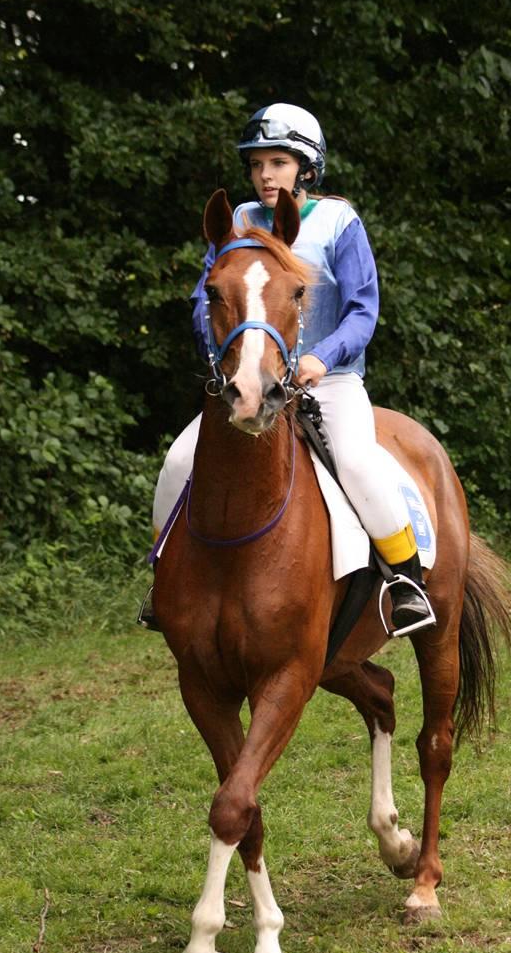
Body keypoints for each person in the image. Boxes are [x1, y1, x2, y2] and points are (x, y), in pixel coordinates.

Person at [142, 102, 434, 636]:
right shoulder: (237, 223)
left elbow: (364, 308)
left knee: (358, 463)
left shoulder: (339, 221)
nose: (265, 174)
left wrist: (325, 357)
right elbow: (202, 300)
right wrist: (225, 361)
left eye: (278, 162)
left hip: (330, 380)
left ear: (306, 166)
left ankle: (406, 581)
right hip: (251, 378)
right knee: (178, 461)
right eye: (256, 165)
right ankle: (163, 584)